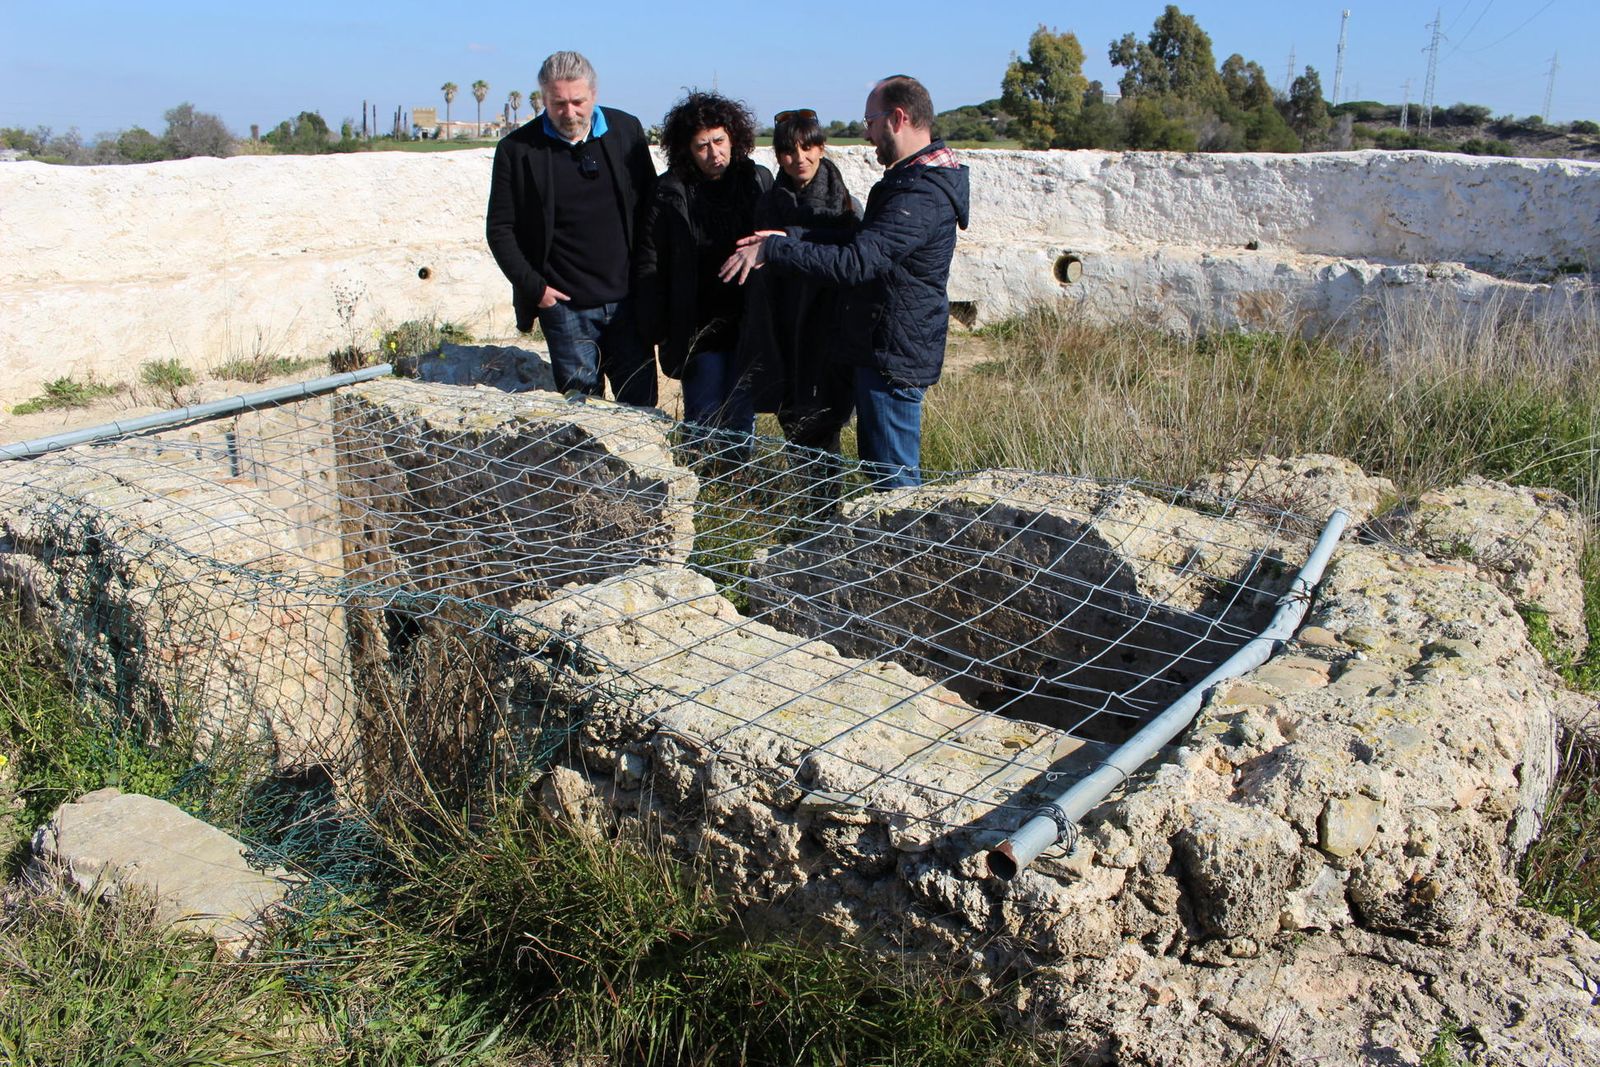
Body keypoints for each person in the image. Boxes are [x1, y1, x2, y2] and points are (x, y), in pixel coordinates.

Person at [720, 75, 969, 490]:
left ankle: (900, 551)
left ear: (898, 118)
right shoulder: (909, 180)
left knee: (894, 484)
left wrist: (776, 251)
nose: (866, 131)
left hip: (894, 352)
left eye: (870, 120)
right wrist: (792, 237)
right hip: (883, 346)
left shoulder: (919, 194)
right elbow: (861, 242)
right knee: (881, 473)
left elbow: (858, 261)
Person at [485, 50, 658, 405]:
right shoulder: (517, 150)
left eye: (578, 102)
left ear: (593, 95)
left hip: (628, 305)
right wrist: (538, 291)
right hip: (566, 312)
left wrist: (649, 281)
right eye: (558, 103)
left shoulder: (626, 131)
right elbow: (500, 229)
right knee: (581, 418)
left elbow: (651, 210)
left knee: (641, 411)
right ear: (544, 99)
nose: (569, 113)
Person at [634, 91, 772, 445]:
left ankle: (737, 484)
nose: (714, 154)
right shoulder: (669, 190)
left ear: (734, 136)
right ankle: (702, 486)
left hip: (747, 322)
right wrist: (658, 329)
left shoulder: (758, 180)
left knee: (742, 419)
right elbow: (650, 260)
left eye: (719, 141)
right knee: (703, 422)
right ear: (686, 150)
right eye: (702, 146)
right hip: (697, 326)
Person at [739, 108, 860, 459]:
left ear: (821, 148)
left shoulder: (844, 207)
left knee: (824, 423)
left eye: (807, 148)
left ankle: (825, 505)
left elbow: (849, 260)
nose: (799, 158)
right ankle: (808, 503)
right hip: (782, 324)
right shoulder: (768, 205)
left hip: (827, 327)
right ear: (778, 156)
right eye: (789, 151)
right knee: (791, 417)